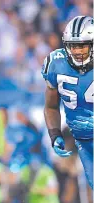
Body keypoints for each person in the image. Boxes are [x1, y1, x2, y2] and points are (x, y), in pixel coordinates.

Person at [42, 16, 93, 189]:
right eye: (73, 45)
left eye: (83, 45)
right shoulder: (56, 63)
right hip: (76, 132)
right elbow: (50, 106)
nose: (77, 51)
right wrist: (55, 134)